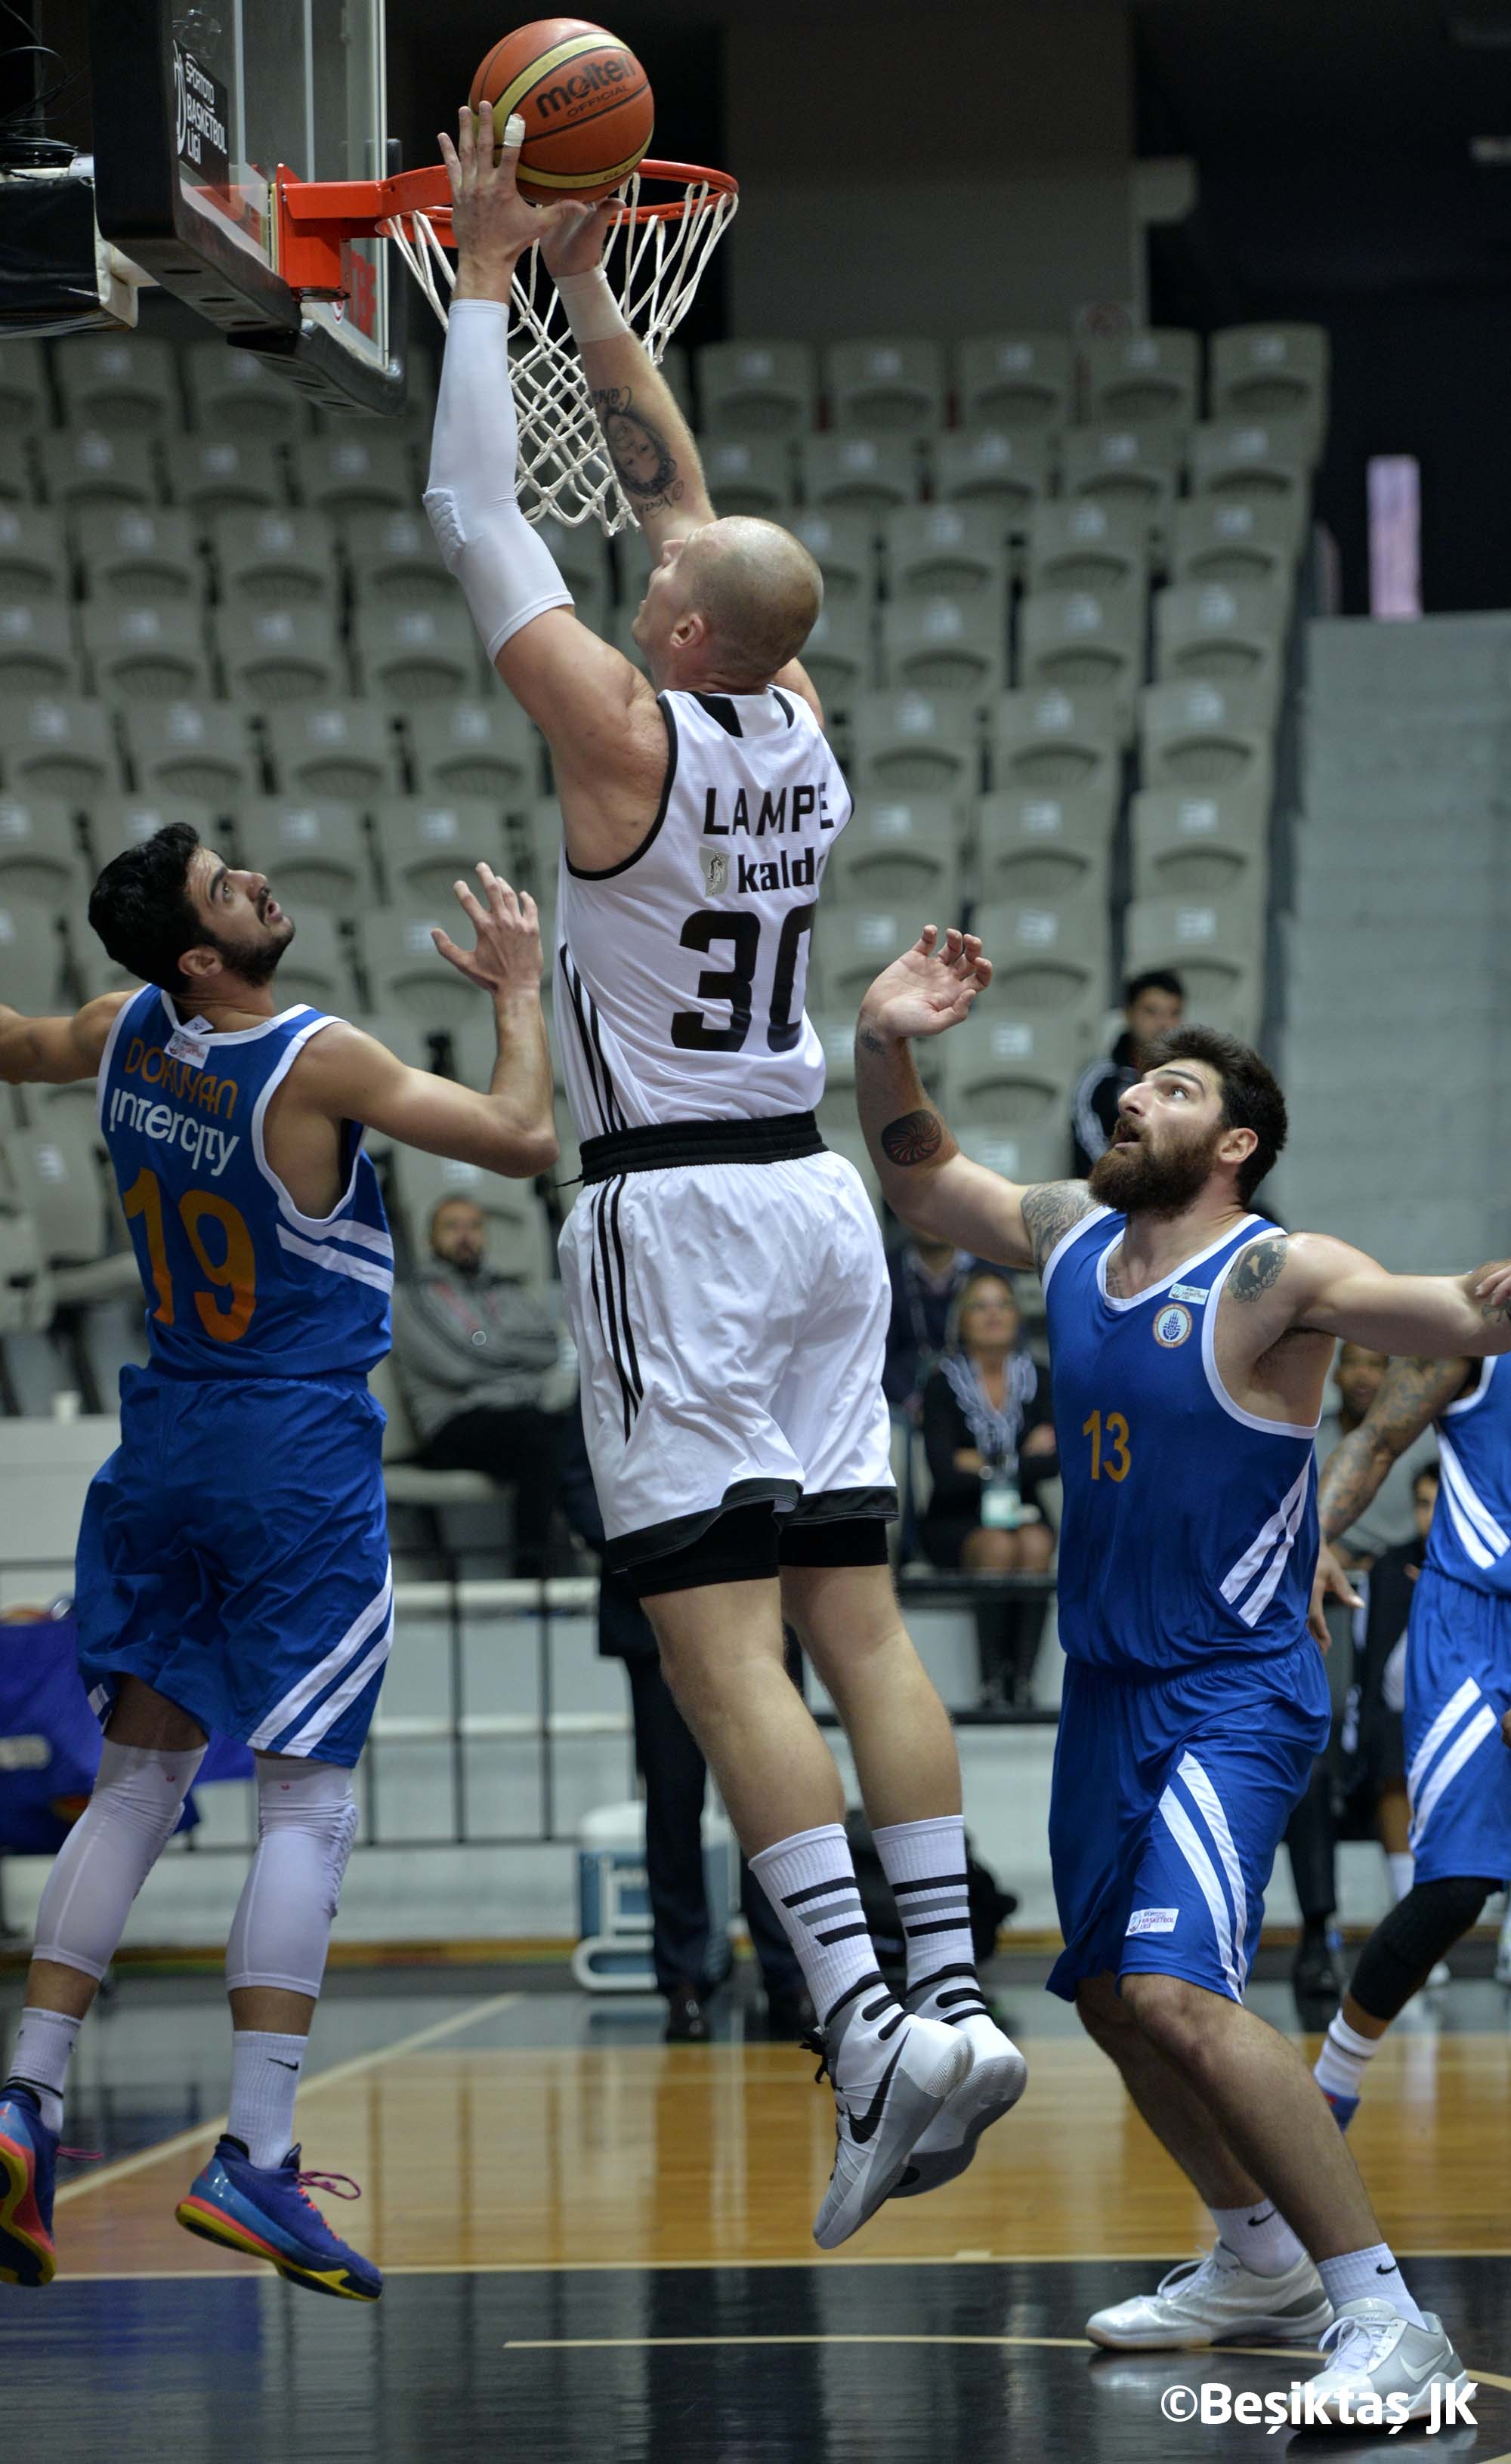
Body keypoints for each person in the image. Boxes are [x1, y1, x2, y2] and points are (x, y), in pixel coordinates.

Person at [423, 106, 1026, 2248]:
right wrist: (605, 293)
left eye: (657, 585)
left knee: (718, 1652)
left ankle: (866, 2024)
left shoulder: (619, 730)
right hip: (812, 1213)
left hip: (674, 1213)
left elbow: (472, 502)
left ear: (675, 641)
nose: (642, 564)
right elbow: (677, 491)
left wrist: (489, 276)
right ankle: (952, 1984)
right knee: (861, 1623)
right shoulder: (798, 716)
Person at [854, 918, 1511, 2422]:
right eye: (1132, 1084)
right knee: (1102, 1992)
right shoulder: (1070, 1238)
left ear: (1235, 1138)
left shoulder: (1274, 1268)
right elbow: (915, 1170)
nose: (1129, 1099)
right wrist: (886, 1037)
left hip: (1235, 1682)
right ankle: (1254, 2251)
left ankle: (1385, 2315)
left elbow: (1441, 1312)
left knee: (1181, 1989)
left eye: (1165, 1089)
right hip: (1106, 1686)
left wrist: (1494, 1300)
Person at [0, 825, 555, 2298]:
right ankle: (254, 2153)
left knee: (138, 1778)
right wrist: (514, 988)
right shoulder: (317, 1058)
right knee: (309, 1796)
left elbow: (11, 1041)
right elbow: (524, 1136)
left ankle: (24, 2098)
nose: (251, 877)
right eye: (220, 885)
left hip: (164, 1437)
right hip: (289, 1454)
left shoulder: (123, 1028)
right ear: (200, 954)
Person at [557, 1410, 814, 2044]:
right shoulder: (617, 1336)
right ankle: (683, 1981)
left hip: (756, 1597)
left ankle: (790, 1976)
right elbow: (576, 1472)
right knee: (673, 1800)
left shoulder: (751, 1336)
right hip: (654, 1602)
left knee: (775, 1793)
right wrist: (646, 1548)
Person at [1309, 1346, 1511, 2131]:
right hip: (1471, 1625)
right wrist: (1315, 1539)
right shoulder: (1476, 1334)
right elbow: (1374, 1439)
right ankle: (1329, 2083)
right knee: (1456, 1887)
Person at [1287, 1345, 1441, 2014]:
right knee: (1307, 1768)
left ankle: (1414, 1933)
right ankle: (1320, 1932)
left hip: (1402, 1599)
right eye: (1353, 1362)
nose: (1365, 1375)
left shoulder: (1420, 1443)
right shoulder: (1305, 1437)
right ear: (1336, 1371)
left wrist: (1370, 1557)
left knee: (1391, 1742)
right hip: (1319, 1604)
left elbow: (1424, 1528)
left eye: (1380, 1363)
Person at [391, 1194, 565, 1574]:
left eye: (474, 1226)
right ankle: (532, 1575)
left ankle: (603, 1563)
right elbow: (460, 1366)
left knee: (580, 1428)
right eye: (452, 1227)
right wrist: (513, 1354)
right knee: (542, 1437)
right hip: (455, 1425)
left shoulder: (506, 1290)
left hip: (519, 1417)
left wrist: (488, 1342)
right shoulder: (413, 1298)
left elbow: (550, 1347)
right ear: (429, 1241)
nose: (465, 1236)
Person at [919, 1271, 1058, 1711]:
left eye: (1002, 1304)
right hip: (954, 1517)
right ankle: (990, 1681)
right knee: (998, 1546)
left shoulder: (1039, 1377)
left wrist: (982, 1462)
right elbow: (944, 1471)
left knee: (1035, 1543)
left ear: (1018, 1317)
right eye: (980, 1305)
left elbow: (1055, 1461)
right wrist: (1020, 1458)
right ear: (962, 1321)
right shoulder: (942, 1382)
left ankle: (1022, 1682)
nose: (993, 1313)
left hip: (1025, 1512)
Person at [1070, 969, 1185, 1177]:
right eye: (1152, 1011)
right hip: (1113, 1192)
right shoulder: (1098, 1078)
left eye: (1174, 1013)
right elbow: (1089, 1147)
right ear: (1128, 1014)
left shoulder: (1189, 1079)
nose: (1164, 1024)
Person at [882, 1230, 985, 1418]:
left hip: (979, 1398)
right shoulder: (885, 1272)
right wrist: (913, 1404)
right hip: (906, 1401)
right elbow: (877, 1355)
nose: (930, 1216)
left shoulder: (986, 1271)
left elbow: (1009, 1349)